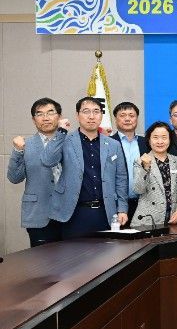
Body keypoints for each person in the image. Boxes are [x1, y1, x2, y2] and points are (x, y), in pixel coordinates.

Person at [41, 97, 128, 238]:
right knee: (73, 252)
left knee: (108, 252)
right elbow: (47, 161)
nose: (91, 116)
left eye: (96, 111)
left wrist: (122, 209)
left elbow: (121, 178)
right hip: (74, 213)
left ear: (101, 115)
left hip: (106, 213)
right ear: (77, 115)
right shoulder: (65, 140)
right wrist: (60, 132)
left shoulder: (113, 145)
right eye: (86, 111)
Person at [7, 98, 67, 246]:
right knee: (42, 259)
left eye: (50, 112)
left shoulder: (71, 142)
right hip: (38, 213)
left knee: (73, 259)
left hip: (69, 213)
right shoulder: (26, 144)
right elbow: (14, 178)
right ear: (34, 120)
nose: (45, 118)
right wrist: (17, 151)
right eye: (40, 114)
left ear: (59, 116)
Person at [132, 121, 177, 227]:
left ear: (170, 139)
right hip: (148, 220)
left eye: (164, 137)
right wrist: (145, 168)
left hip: (174, 219)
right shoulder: (140, 161)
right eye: (155, 137)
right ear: (149, 140)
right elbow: (138, 190)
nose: (160, 141)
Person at [110, 101, 149, 224]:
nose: (127, 119)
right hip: (116, 204)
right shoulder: (108, 143)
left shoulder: (146, 142)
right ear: (116, 119)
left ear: (137, 119)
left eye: (131, 115)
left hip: (143, 203)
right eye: (122, 115)